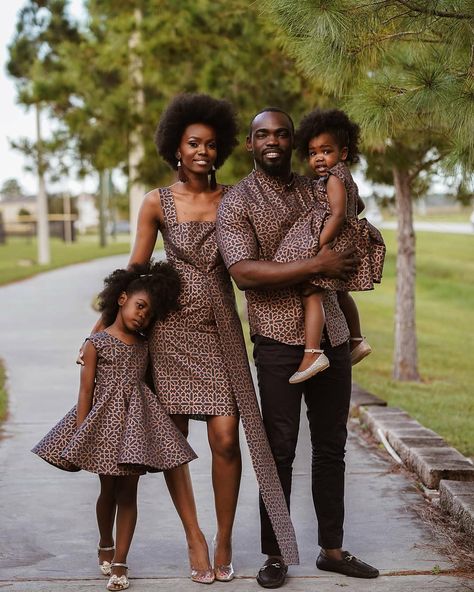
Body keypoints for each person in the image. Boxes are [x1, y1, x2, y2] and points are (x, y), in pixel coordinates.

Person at [86, 93, 299, 584]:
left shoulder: (235, 198)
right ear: (175, 150)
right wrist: (103, 325)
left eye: (209, 144)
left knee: (226, 438)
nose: (201, 152)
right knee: (174, 439)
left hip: (220, 327)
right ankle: (194, 536)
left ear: (221, 149)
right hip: (169, 333)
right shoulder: (155, 202)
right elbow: (136, 269)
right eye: (192, 144)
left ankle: (224, 536)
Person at [216, 108, 380, 588]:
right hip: (276, 340)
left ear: (293, 142)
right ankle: (276, 554)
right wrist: (317, 263)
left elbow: (350, 214)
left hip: (328, 333)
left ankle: (332, 549)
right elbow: (244, 271)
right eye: (263, 135)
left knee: (332, 447)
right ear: (250, 144)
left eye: (282, 135)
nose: (273, 141)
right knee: (279, 449)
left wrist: (343, 198)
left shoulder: (317, 183)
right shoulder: (237, 201)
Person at [33, 261, 196, 592]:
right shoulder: (96, 344)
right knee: (108, 491)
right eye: (140, 306)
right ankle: (105, 541)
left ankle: (120, 562)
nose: (142, 316)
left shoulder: (145, 345)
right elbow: (85, 390)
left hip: (136, 427)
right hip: (103, 426)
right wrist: (81, 433)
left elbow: (153, 384)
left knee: (128, 493)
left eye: (149, 314)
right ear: (121, 299)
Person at [273, 108, 386, 384]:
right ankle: (357, 339)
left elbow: (336, 215)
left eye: (326, 151)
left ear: (343, 153)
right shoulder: (345, 177)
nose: (319, 158)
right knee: (340, 292)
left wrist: (318, 243)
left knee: (312, 290)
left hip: (332, 239)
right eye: (313, 153)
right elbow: (356, 205)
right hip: (344, 236)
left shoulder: (334, 179)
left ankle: (312, 353)